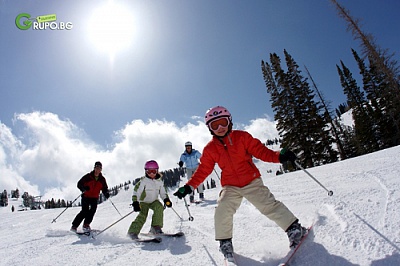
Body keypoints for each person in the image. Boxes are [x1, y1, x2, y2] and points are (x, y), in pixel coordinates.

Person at [174, 106, 306, 261]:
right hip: (230, 186)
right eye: (215, 125)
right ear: (209, 128)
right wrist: (189, 186)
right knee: (222, 209)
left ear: (230, 121)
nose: (220, 128)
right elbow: (203, 170)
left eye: (223, 122)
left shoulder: (242, 137)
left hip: (251, 180)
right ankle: (225, 243)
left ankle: (294, 228)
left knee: (268, 204)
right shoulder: (210, 149)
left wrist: (279, 156)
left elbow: (262, 152)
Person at [127, 160, 172, 240]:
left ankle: (155, 228)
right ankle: (132, 232)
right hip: (143, 202)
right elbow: (137, 192)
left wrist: (166, 200)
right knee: (143, 214)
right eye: (149, 171)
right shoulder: (143, 181)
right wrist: (135, 202)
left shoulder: (159, 182)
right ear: (146, 171)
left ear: (157, 171)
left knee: (159, 207)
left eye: (154, 171)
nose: (151, 174)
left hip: (154, 201)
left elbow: (163, 192)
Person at [71, 161, 109, 232]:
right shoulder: (88, 176)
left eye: (99, 168)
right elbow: (79, 184)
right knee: (84, 211)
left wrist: (106, 193)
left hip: (94, 198)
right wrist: (83, 189)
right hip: (86, 196)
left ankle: (86, 225)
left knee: (92, 211)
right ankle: (74, 226)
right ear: (94, 168)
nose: (98, 170)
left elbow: (104, 188)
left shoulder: (102, 179)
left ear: (101, 170)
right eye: (97, 168)